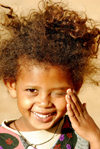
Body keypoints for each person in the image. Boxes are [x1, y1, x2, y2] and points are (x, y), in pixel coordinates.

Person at [0, 0, 100, 149]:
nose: (44, 103)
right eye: (32, 90)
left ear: (76, 86)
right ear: (11, 84)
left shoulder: (81, 135)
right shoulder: (3, 141)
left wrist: (95, 137)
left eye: (58, 93)